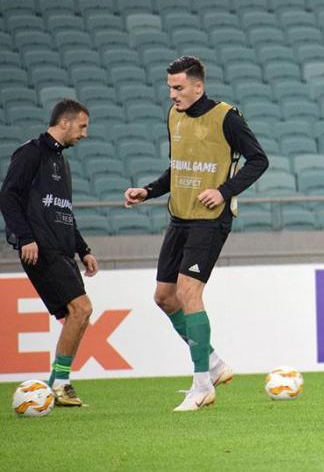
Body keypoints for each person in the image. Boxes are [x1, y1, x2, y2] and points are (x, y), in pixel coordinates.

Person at [123, 56, 269, 412]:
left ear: (198, 86)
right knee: (164, 297)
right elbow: (177, 168)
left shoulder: (226, 117)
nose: (172, 94)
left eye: (179, 87)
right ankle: (214, 364)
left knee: (189, 293)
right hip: (180, 216)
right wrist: (148, 191)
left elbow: (259, 160)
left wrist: (224, 191)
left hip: (210, 219)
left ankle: (202, 385)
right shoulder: (173, 116)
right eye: (170, 88)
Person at [0, 99, 100, 407]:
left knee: (79, 316)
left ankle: (55, 384)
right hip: (40, 249)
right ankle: (60, 384)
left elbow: (64, 211)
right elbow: (8, 196)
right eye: (82, 126)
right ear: (64, 122)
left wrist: (82, 249)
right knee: (81, 309)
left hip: (62, 248)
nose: (84, 133)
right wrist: (25, 237)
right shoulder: (31, 152)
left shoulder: (61, 162)